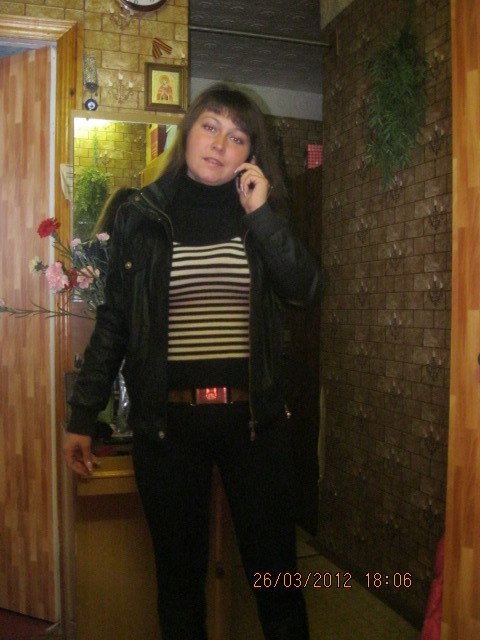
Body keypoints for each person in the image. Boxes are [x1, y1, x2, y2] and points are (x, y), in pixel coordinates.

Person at [63, 83, 322, 640]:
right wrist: (83, 414)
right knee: (179, 590)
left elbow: (305, 290)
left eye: (237, 136)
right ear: (187, 133)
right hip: (169, 430)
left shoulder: (260, 214)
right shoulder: (140, 214)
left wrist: (262, 216)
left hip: (256, 426)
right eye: (210, 126)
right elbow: (115, 321)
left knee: (277, 585)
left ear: (250, 154)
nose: (219, 143)